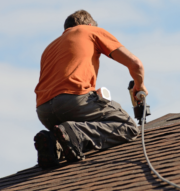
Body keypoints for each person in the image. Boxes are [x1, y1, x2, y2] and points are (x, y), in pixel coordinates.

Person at [34, 10, 148, 168]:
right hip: (74, 102)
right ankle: (75, 133)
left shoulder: (49, 48)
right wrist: (139, 85)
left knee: (69, 134)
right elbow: (136, 65)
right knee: (127, 127)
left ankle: (53, 144)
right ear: (89, 25)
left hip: (44, 111)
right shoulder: (90, 31)